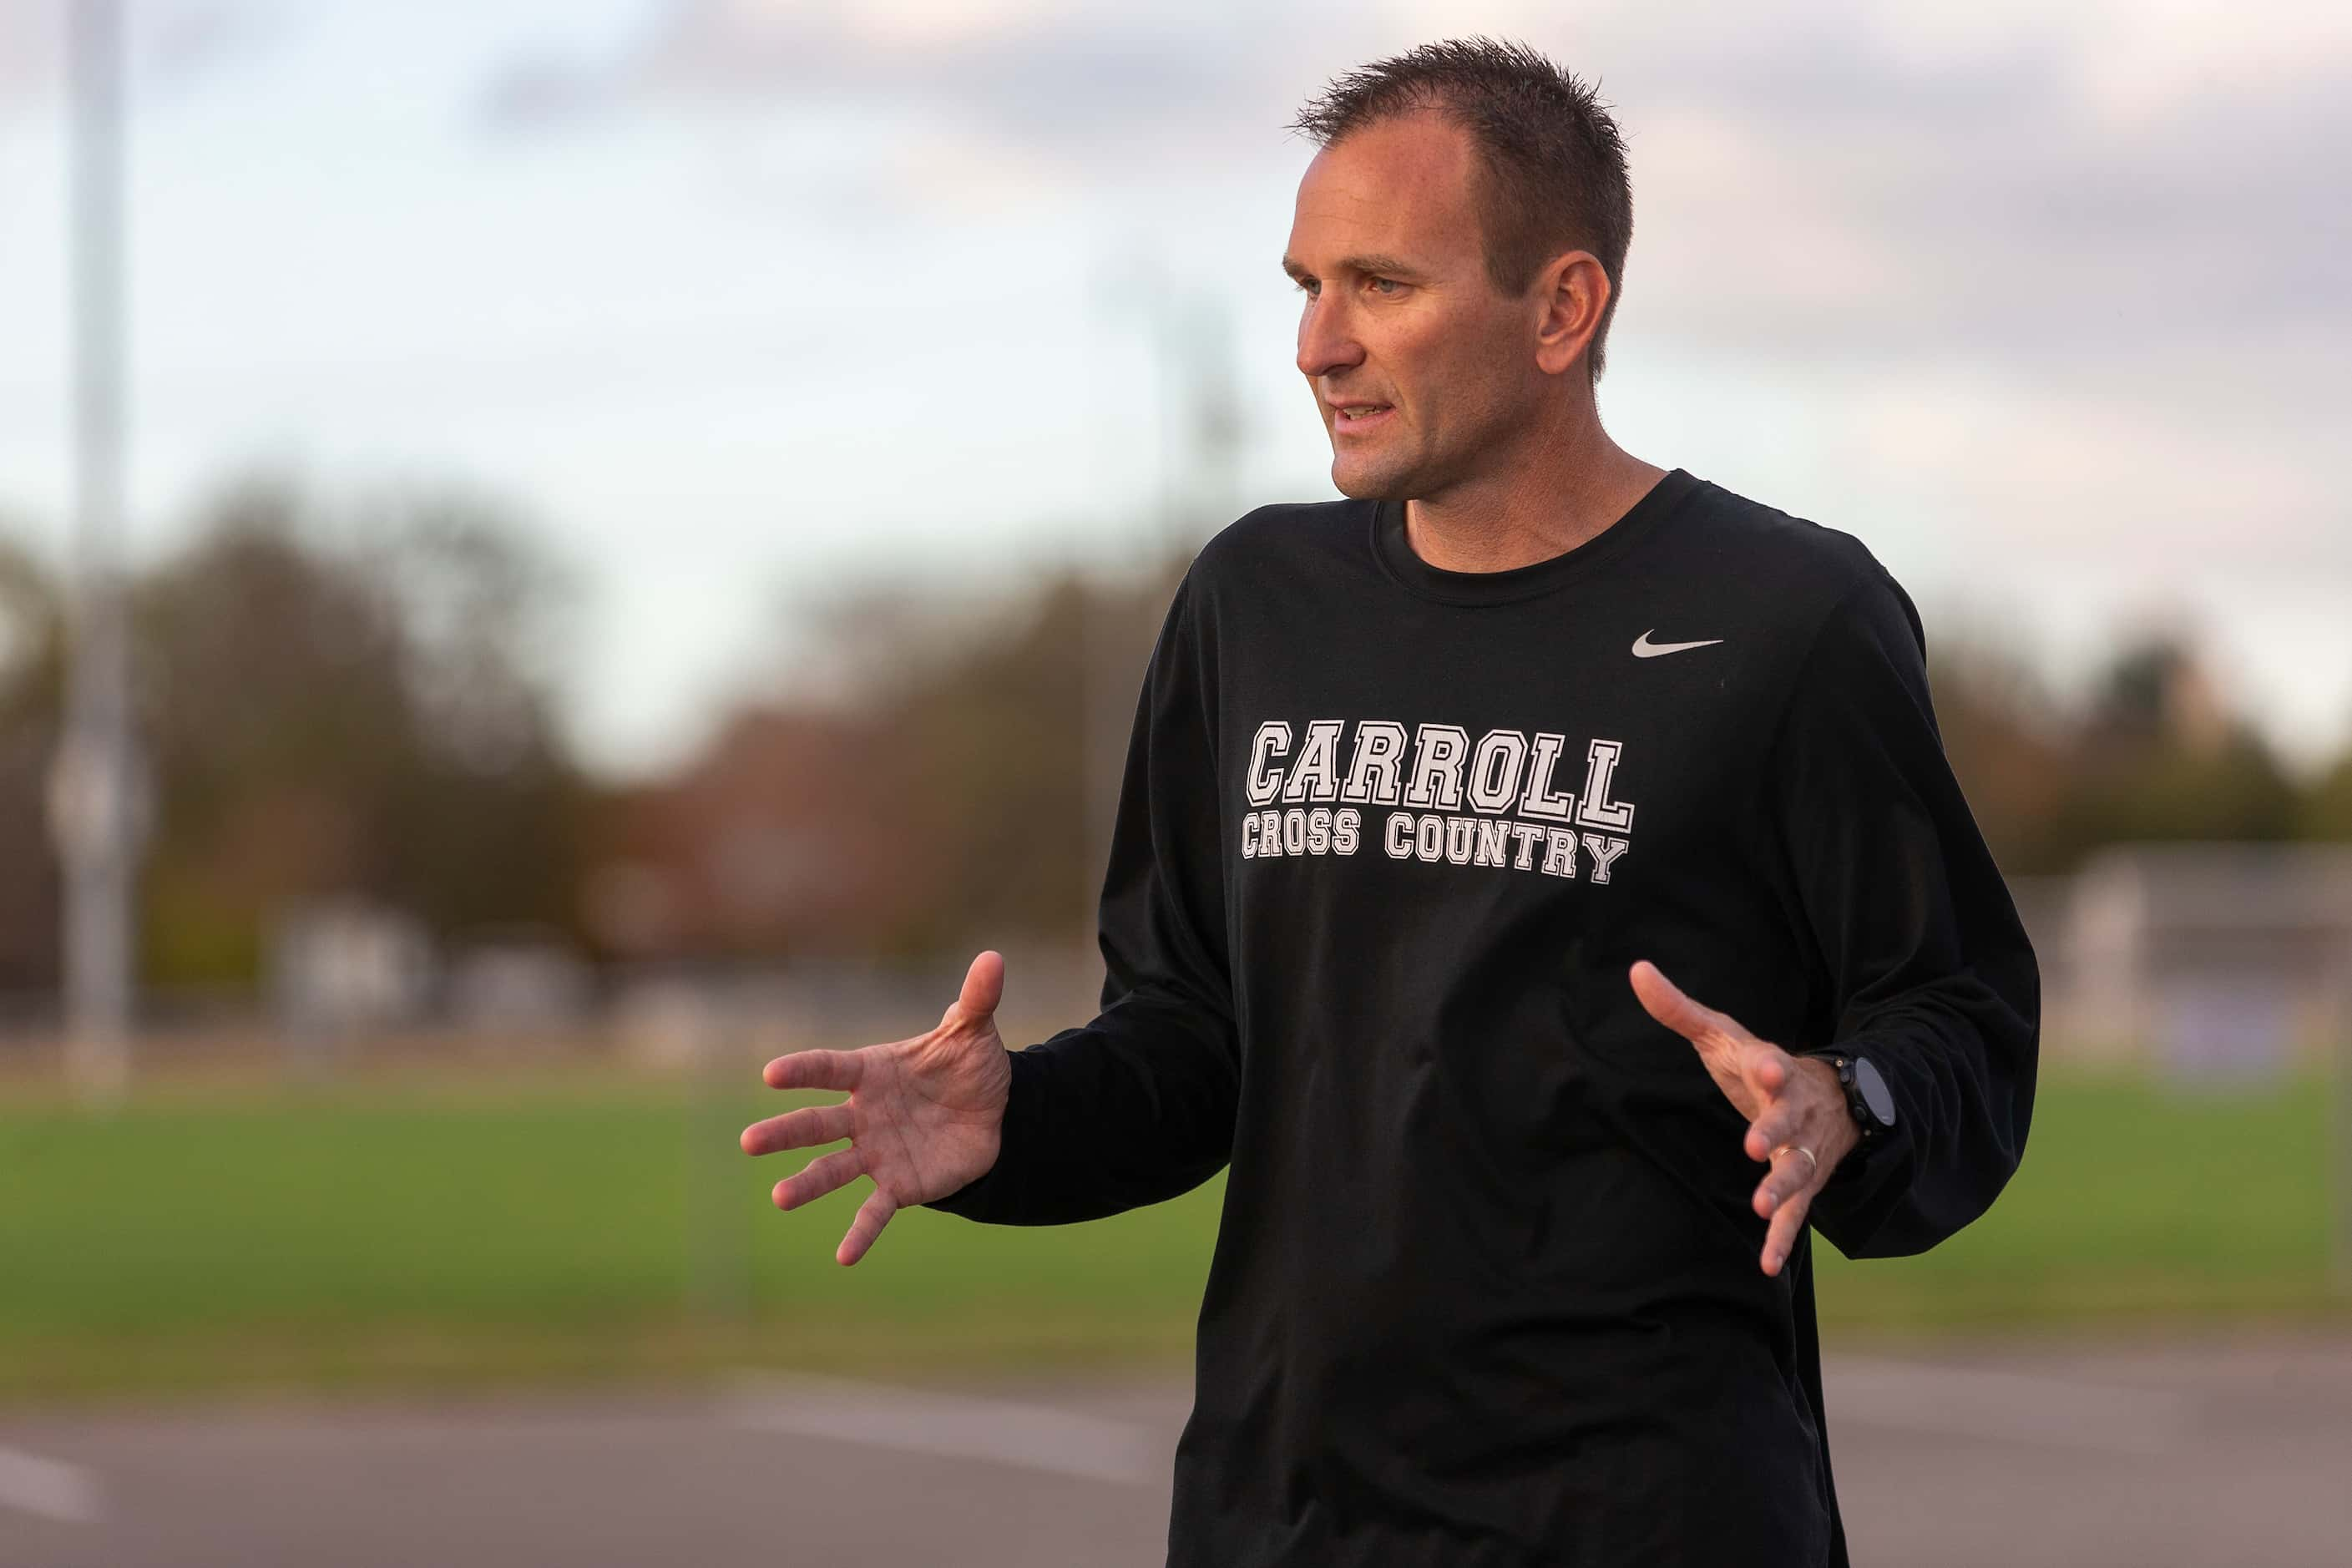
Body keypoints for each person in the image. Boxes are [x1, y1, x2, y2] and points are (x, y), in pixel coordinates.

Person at [741, 34, 2038, 1568]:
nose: (1316, 345)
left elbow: (1959, 1022)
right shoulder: (1251, 602)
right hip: (1284, 1515)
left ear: (1563, 308)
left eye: (1382, 285)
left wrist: (1846, 1101)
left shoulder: (1789, 618)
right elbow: (1198, 1041)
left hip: (1647, 1518)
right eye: (1305, 285)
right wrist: (1019, 1121)